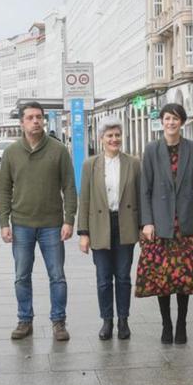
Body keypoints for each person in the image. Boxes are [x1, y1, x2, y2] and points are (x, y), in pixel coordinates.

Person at [0, 102, 77, 341]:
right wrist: (4, 222)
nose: (35, 121)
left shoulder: (58, 150)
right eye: (30, 117)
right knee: (21, 275)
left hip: (52, 225)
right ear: (22, 122)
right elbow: (3, 190)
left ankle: (58, 322)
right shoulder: (11, 153)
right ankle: (25, 320)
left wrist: (69, 220)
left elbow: (69, 187)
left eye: (39, 117)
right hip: (21, 224)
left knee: (57, 275)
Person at [137, 102, 193, 344]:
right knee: (163, 278)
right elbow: (144, 189)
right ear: (162, 121)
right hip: (161, 224)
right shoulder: (152, 150)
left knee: (185, 278)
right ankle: (166, 323)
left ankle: (182, 324)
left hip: (186, 225)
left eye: (176, 119)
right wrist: (146, 221)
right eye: (167, 118)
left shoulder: (191, 149)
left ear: (182, 122)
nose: (171, 123)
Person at [77, 116, 141, 340]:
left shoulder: (133, 163)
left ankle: (123, 320)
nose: (114, 139)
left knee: (123, 276)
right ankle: (107, 321)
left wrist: (143, 227)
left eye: (117, 135)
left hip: (125, 225)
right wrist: (83, 233)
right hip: (99, 226)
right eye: (109, 135)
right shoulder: (90, 164)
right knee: (104, 278)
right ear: (101, 138)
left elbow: (141, 197)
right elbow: (84, 199)